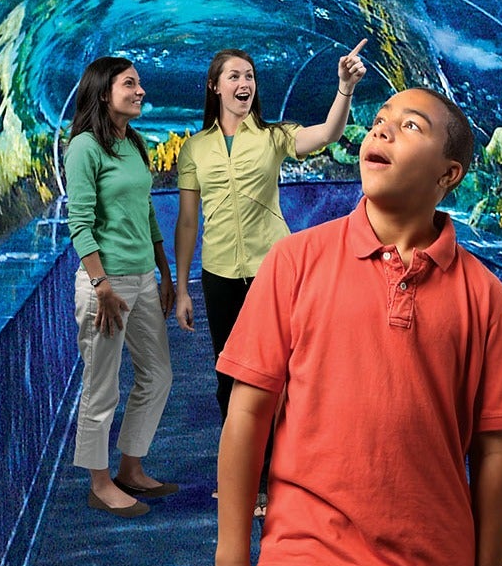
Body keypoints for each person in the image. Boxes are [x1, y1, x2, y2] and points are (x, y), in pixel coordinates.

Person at [209, 87, 502, 566]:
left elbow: (493, 454)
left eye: (410, 126)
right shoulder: (294, 261)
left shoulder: (485, 295)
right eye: (380, 119)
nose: (381, 129)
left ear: (448, 175)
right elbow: (247, 415)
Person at [172, 42, 367, 425]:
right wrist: (181, 289)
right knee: (229, 374)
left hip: (273, 272)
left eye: (250, 76)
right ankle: (243, 475)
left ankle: (287, 466)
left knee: (284, 369)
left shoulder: (272, 137)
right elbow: (188, 221)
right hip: (219, 276)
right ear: (215, 86)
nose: (244, 83)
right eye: (234, 76)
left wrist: (345, 87)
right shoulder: (194, 149)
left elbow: (328, 133)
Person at [64, 57, 179, 518]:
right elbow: (79, 222)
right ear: (103, 91)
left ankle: (131, 467)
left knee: (158, 374)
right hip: (104, 285)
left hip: (142, 279)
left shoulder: (133, 143)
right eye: (130, 84)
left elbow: (147, 212)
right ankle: (99, 482)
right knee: (101, 385)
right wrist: (101, 283)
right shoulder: (84, 149)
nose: (141, 91)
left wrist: (165, 271)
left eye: (139, 84)